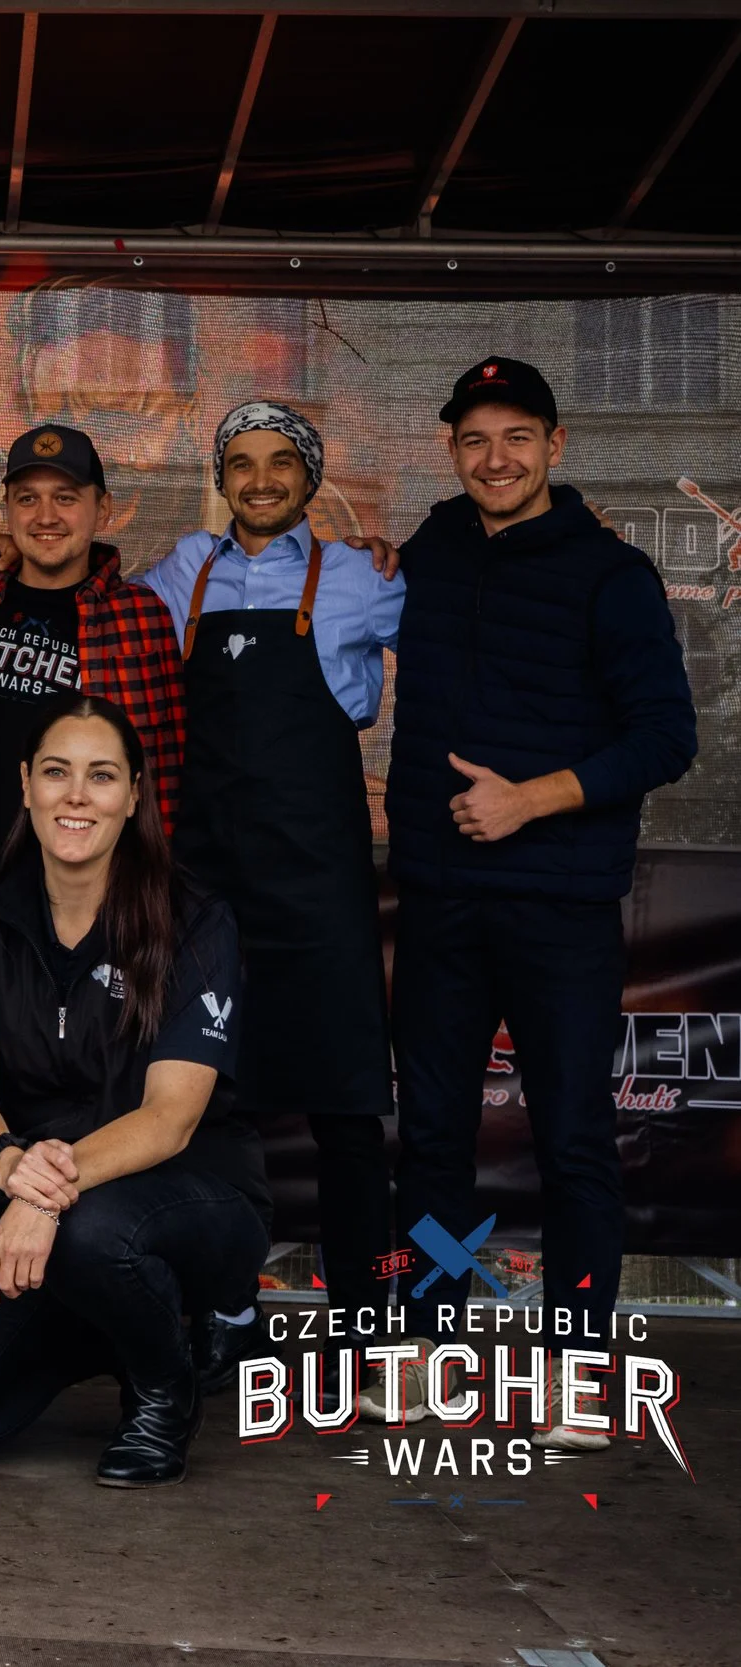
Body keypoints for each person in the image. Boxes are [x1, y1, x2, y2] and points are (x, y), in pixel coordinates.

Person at [384, 357, 695, 1445]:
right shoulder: (425, 551)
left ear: (555, 446)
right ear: (451, 450)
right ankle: (424, 1346)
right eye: (474, 438)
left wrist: (532, 800)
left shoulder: (612, 573)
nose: (495, 457)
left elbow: (668, 736)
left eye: (517, 436)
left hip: (557, 900)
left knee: (571, 1135)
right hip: (437, 897)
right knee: (429, 1134)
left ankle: (573, 1369)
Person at [0, 695, 265, 1488]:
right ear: (26, 785)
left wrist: (45, 1194)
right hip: (38, 1189)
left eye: (101, 775)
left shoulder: (195, 919)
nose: (76, 795)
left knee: (93, 1233)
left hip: (189, 1198)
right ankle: (105, 1328)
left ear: (134, 793)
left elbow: (171, 1116)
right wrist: (10, 1165)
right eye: (56, 773)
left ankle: (164, 1387)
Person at [0, 424, 186, 1313]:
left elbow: (161, 777)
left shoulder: (138, 617)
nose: (46, 514)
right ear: (4, 510)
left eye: (66, 497)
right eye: (27, 497)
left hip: (96, 922)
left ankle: (99, 1304)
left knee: (104, 1112)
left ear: (103, 509)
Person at [136, 401, 404, 1388]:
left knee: (346, 1117)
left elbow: (469, 637)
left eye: (278, 462)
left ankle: (366, 1338)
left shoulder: (364, 579)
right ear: (221, 475)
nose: (257, 479)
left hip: (320, 887)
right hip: (206, 888)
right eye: (239, 463)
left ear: (309, 475)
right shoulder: (181, 573)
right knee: (208, 1104)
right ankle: (224, 1314)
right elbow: (99, 618)